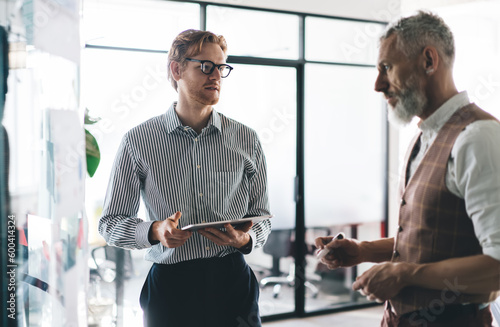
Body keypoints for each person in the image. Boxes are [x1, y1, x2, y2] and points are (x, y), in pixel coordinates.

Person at [315, 11, 500, 327]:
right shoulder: (423, 137)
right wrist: (362, 250)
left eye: (387, 67)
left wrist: (405, 274)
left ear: (429, 61)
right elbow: (426, 240)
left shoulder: (479, 138)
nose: (378, 85)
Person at [99, 29, 271, 327]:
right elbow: (110, 222)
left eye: (221, 67)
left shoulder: (247, 139)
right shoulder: (138, 141)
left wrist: (246, 238)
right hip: (170, 286)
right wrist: (154, 230)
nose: (216, 75)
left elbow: (263, 217)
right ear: (177, 69)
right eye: (205, 66)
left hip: (232, 281)